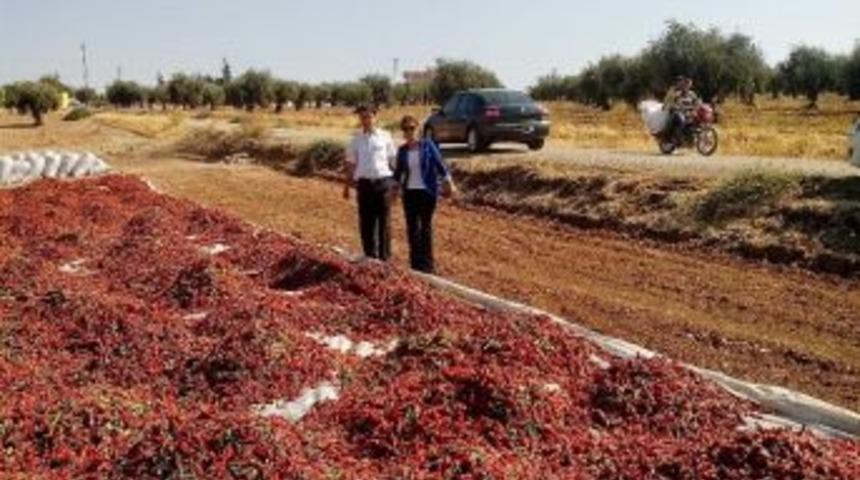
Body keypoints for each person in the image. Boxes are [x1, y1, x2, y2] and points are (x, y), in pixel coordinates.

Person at [393, 115, 456, 273]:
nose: (409, 132)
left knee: (425, 228)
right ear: (403, 132)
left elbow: (440, 165)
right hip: (409, 193)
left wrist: (449, 181)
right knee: (412, 228)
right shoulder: (402, 150)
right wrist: (393, 190)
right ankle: (415, 265)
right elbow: (398, 173)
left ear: (418, 129)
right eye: (406, 129)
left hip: (427, 193)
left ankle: (428, 266)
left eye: (412, 128)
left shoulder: (428, 145)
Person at [343, 104, 398, 260]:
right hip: (364, 185)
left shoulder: (386, 136)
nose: (365, 120)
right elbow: (350, 163)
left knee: (384, 224)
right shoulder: (356, 139)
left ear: (375, 117)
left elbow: (393, 160)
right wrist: (347, 186)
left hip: (383, 183)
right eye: (362, 117)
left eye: (368, 116)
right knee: (366, 223)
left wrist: (396, 184)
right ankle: (370, 258)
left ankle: (384, 260)